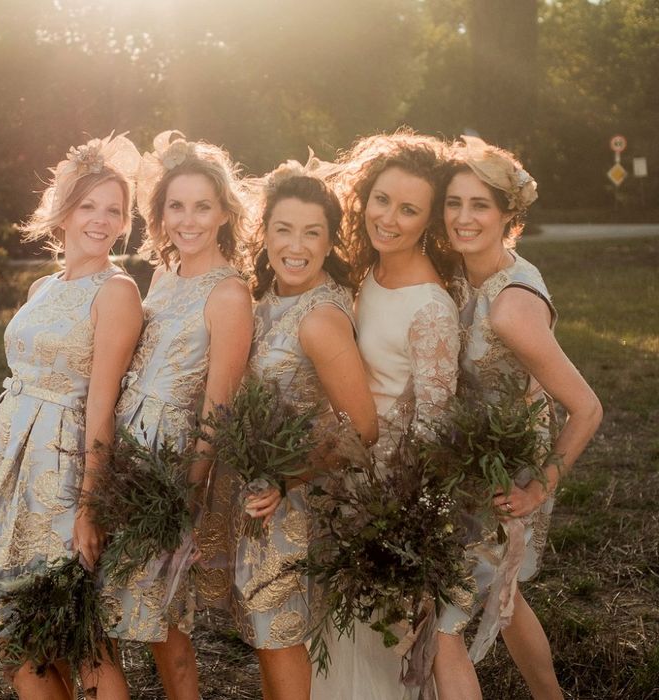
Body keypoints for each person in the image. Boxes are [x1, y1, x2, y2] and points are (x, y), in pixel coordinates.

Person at [0, 134, 144, 699]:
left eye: (114, 210)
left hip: (60, 469)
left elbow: (102, 407)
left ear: (124, 223)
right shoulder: (42, 286)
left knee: (81, 634)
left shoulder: (116, 291)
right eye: (89, 205)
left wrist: (90, 507)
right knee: (17, 631)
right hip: (7, 464)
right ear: (64, 211)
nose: (101, 220)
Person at [433, 136, 603, 700]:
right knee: (503, 597)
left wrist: (537, 490)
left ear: (509, 214)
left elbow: (586, 408)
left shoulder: (512, 306)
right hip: (464, 454)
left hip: (506, 468)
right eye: (454, 203)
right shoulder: (459, 272)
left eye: (479, 205)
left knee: (444, 618)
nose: (463, 217)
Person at [212, 158, 378, 700]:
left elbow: (364, 429)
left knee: (280, 637)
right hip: (259, 495)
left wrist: (289, 480)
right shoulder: (267, 301)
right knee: (266, 638)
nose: (296, 245)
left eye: (312, 233)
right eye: (283, 230)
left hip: (296, 508)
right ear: (265, 236)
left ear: (331, 242)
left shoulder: (319, 319)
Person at [311, 130, 461, 700]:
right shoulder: (365, 274)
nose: (389, 218)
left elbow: (433, 429)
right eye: (381, 200)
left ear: (429, 221)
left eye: (408, 210)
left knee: (375, 651)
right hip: (343, 477)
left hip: (386, 501)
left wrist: (399, 525)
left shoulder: (430, 308)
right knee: (334, 644)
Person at [112, 131, 253, 700]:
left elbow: (219, 406)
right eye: (176, 206)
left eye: (202, 206)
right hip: (123, 442)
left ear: (223, 212)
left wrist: (185, 496)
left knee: (163, 620)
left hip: (167, 460)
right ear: (160, 213)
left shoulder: (229, 295)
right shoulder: (165, 275)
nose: (188, 220)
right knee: (123, 608)